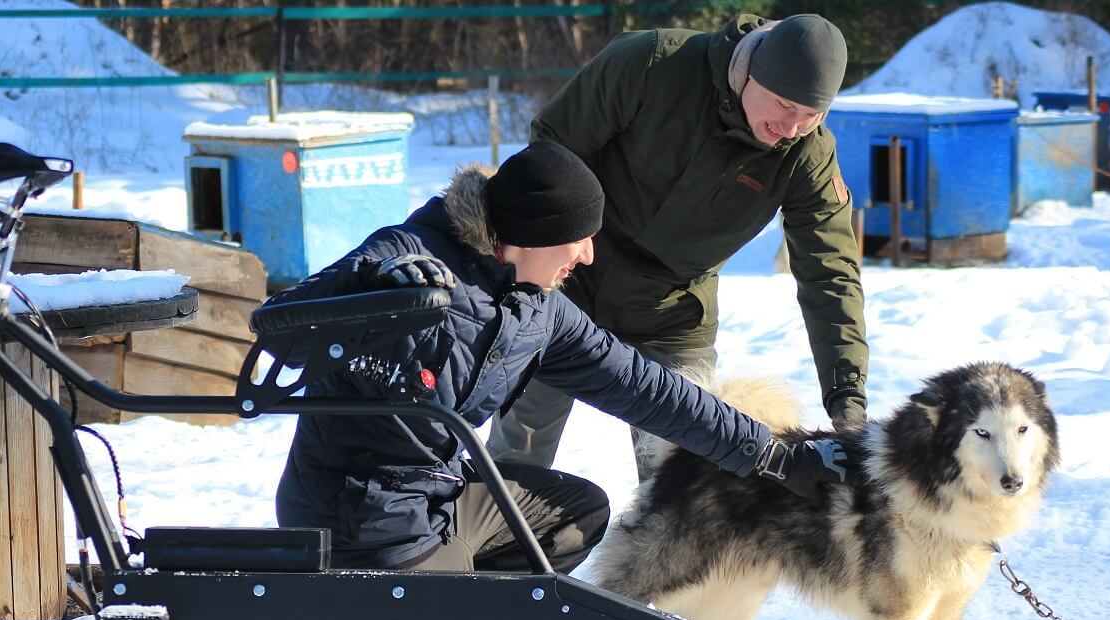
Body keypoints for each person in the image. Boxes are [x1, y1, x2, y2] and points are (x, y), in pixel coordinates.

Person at [267, 140, 847, 589]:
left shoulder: (536, 310)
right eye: (581, 238)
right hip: (359, 515)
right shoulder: (404, 255)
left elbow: (645, 388)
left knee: (576, 513)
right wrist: (368, 291)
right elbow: (280, 330)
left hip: (441, 499)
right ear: (535, 234)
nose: (589, 255)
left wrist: (769, 455)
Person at [487, 13, 868, 479]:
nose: (790, 127)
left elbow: (831, 273)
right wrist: (555, 248)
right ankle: (495, 548)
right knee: (520, 445)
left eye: (811, 115)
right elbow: (552, 150)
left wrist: (847, 397)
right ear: (752, 72)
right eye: (784, 105)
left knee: (681, 475)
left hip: (672, 309)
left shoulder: (807, 154)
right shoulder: (652, 64)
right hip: (571, 277)